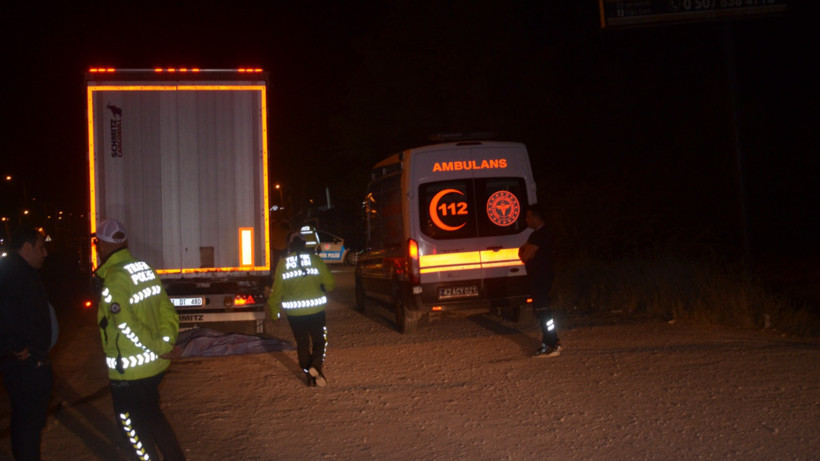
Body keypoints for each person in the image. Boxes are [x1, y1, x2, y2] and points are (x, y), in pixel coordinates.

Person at [93, 219, 185, 461]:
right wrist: (164, 344)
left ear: (101, 245)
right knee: (153, 415)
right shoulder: (144, 268)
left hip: (129, 374)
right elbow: (167, 309)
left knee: (132, 430)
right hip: (154, 367)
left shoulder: (114, 279)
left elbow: (125, 324)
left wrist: (160, 346)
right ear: (124, 241)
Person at [0, 226, 54, 461]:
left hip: (33, 360)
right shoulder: (13, 273)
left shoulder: (21, 271)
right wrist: (17, 345)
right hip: (24, 365)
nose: (45, 253)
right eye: (41, 247)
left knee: (31, 421)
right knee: (27, 423)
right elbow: (5, 310)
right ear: (26, 247)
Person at [268, 232, 335, 387]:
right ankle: (315, 366)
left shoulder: (283, 263)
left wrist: (274, 312)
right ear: (305, 245)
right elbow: (330, 284)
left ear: (290, 245)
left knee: (302, 343)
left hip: (295, 314)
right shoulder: (316, 260)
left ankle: (308, 374)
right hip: (316, 311)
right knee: (320, 340)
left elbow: (276, 291)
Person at [518, 205, 562, 357]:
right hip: (543, 276)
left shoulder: (539, 235)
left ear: (536, 218)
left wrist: (524, 251)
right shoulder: (540, 234)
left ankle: (552, 343)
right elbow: (524, 250)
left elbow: (524, 255)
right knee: (542, 311)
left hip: (541, 278)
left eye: (529, 217)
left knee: (544, 312)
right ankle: (550, 341)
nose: (526, 219)